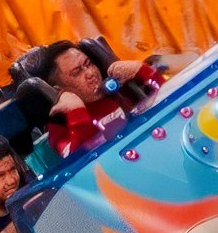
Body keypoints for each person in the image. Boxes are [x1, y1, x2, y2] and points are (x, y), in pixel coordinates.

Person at [37, 41, 167, 156]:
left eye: (88, 64)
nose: (91, 73)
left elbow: (168, 105)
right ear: (59, 89)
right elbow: (80, 164)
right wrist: (76, 112)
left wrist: (143, 71)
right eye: (77, 72)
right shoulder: (58, 125)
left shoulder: (119, 86)